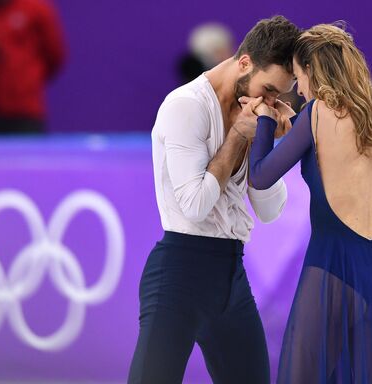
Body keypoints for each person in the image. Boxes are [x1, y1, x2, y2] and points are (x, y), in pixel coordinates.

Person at [128, 16, 301, 383]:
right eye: (268, 89)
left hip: (231, 277)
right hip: (179, 274)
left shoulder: (255, 110)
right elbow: (194, 204)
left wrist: (268, 143)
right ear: (244, 62)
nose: (270, 102)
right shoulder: (186, 106)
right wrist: (239, 135)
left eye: (278, 96)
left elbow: (269, 211)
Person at [246, 24, 372, 383]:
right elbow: (343, 148)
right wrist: (293, 126)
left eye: (298, 77)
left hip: (333, 264)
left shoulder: (316, 114)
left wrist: (264, 121)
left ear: (313, 70)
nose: (299, 89)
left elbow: (260, 176)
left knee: (303, 375)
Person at [0, 0, 67, 133]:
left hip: (25, 111)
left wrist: (29, 80)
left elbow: (54, 55)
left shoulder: (37, 8)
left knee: (29, 152)